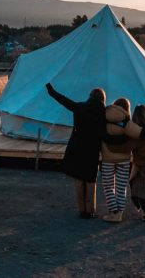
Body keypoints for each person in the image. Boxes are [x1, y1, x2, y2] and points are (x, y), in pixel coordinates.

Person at [45, 83, 106, 218]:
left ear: (90, 96)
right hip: (92, 149)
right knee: (90, 179)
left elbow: (64, 101)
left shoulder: (80, 107)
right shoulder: (104, 113)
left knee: (79, 178)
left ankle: (81, 210)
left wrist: (52, 91)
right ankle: (91, 210)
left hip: (77, 147)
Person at [99, 97, 145, 223]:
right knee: (121, 187)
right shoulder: (126, 122)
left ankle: (114, 212)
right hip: (124, 159)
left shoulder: (103, 119)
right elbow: (140, 133)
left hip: (107, 159)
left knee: (108, 186)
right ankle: (119, 213)